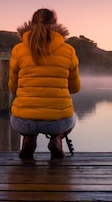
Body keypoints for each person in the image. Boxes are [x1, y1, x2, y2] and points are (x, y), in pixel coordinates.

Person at [8, 8, 80, 159]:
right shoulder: (68, 51)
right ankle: (57, 139)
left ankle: (28, 138)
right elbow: (74, 88)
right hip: (57, 122)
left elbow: (12, 87)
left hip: (23, 121)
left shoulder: (18, 49)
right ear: (55, 24)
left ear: (31, 23)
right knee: (72, 117)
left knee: (20, 115)